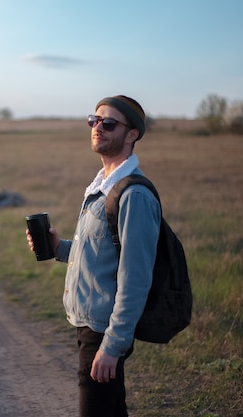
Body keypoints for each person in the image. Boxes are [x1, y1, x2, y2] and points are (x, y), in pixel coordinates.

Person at [26, 95, 161, 416]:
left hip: (103, 330)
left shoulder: (134, 196)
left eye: (109, 123)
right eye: (94, 120)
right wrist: (59, 248)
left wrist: (113, 346)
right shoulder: (102, 188)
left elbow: (136, 278)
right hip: (89, 325)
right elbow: (101, 254)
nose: (98, 127)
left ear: (131, 135)